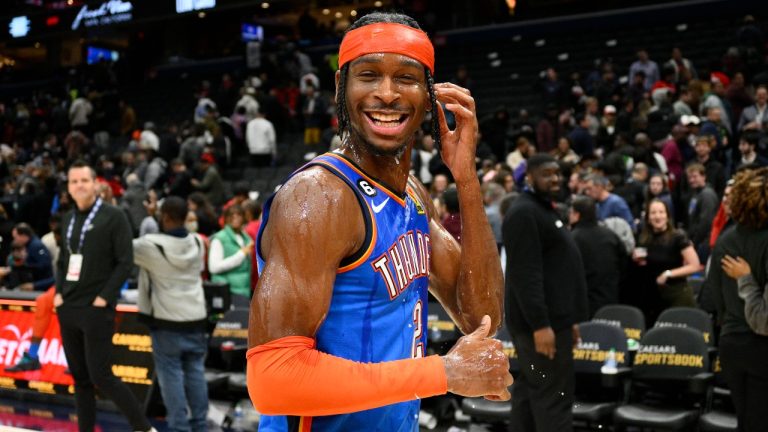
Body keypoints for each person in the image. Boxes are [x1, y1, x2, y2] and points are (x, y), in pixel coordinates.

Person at [246, 12, 511, 431]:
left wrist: (466, 178)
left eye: (405, 78)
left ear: (429, 96)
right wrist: (442, 373)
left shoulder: (413, 195)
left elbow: (482, 319)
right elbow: (272, 380)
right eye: (368, 75)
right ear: (341, 87)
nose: (386, 94)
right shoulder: (317, 197)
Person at [54, 161, 155, 432]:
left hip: (96, 308)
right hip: (69, 306)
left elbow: (125, 261)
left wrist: (104, 298)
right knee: (80, 379)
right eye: (74, 182)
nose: (79, 186)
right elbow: (63, 260)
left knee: (101, 374)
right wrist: (58, 294)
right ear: (68, 187)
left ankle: (143, 427)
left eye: (84, 181)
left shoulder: (114, 216)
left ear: (96, 183)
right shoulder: (68, 218)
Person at [503, 153, 588, 432]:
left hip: (555, 322)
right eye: (547, 174)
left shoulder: (543, 209)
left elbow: (556, 269)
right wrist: (541, 325)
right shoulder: (524, 212)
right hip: (539, 326)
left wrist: (569, 321)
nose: (555, 179)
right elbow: (525, 275)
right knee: (555, 398)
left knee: (532, 393)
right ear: (529, 177)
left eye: (557, 173)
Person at [133, 196, 208, 432]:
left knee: (171, 377)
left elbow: (120, 247)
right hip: (196, 317)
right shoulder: (198, 242)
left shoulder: (150, 245)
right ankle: (200, 426)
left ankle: (178, 428)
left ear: (163, 217)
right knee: (196, 372)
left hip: (167, 321)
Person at [705, 167, 768, 432]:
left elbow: (713, 299)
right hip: (762, 346)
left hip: (731, 344)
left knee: (745, 420)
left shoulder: (724, 239)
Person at [632, 199, 701, 322]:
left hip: (676, 294)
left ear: (667, 216)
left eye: (661, 212)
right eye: (653, 213)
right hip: (652, 296)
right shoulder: (643, 238)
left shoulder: (678, 237)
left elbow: (694, 265)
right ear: (648, 217)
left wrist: (668, 273)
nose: (657, 216)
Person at [569, 195, 626, 318]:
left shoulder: (571, 239)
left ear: (576, 215)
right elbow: (624, 265)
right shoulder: (611, 235)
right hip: (611, 299)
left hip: (583, 305)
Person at [209, 205, 252, 297]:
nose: (235, 217)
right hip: (227, 292)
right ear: (226, 218)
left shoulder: (246, 238)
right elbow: (214, 268)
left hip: (243, 291)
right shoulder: (219, 238)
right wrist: (241, 254)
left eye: (239, 215)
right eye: (231, 215)